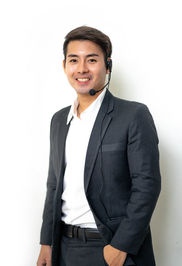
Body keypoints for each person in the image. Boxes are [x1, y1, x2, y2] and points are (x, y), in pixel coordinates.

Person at [36, 26, 161, 266]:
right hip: (64, 248)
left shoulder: (133, 115)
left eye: (91, 60)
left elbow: (147, 185)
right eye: (74, 60)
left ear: (107, 66)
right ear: (65, 66)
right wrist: (47, 242)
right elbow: (53, 185)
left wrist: (120, 247)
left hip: (111, 248)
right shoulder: (59, 120)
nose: (82, 68)